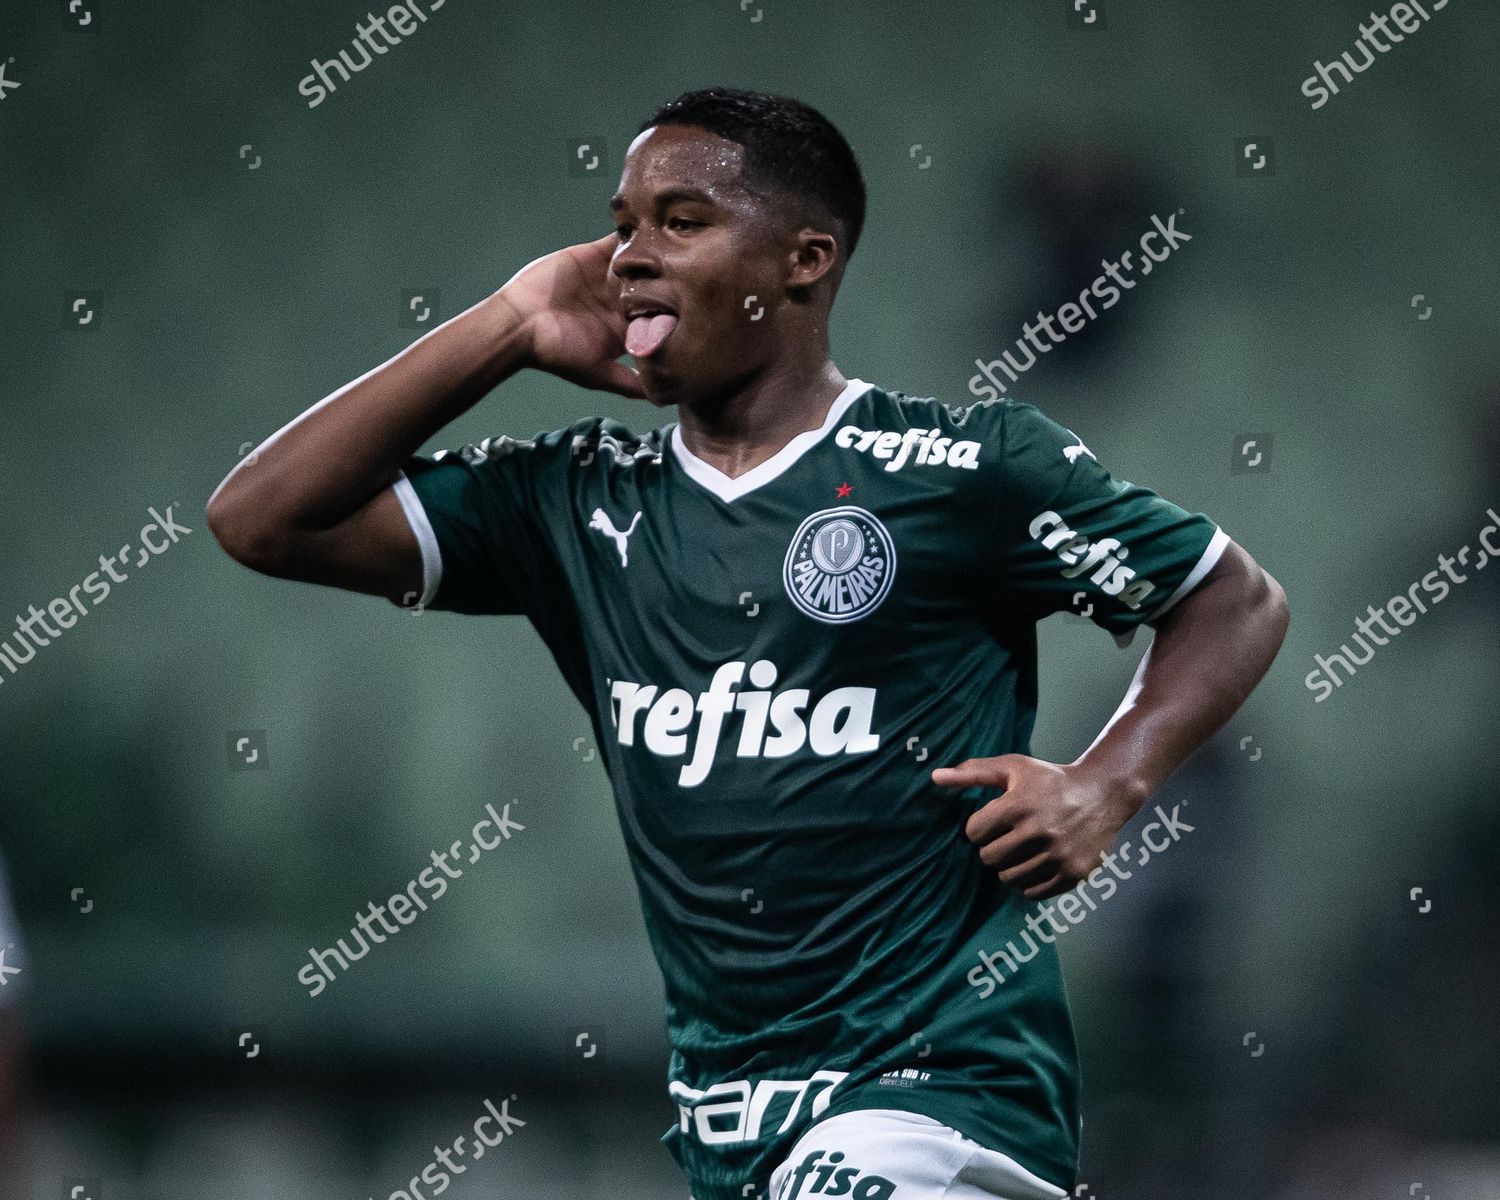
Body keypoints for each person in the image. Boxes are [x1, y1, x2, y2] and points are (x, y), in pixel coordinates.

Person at [206, 86, 1289, 1200]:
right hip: (729, 1121)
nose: (630, 254)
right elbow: (263, 518)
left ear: (804, 260)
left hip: (938, 1096)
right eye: (623, 222)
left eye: (681, 221)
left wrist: (1107, 784)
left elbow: (1232, 599)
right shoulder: (574, 502)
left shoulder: (964, 469)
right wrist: (510, 323)